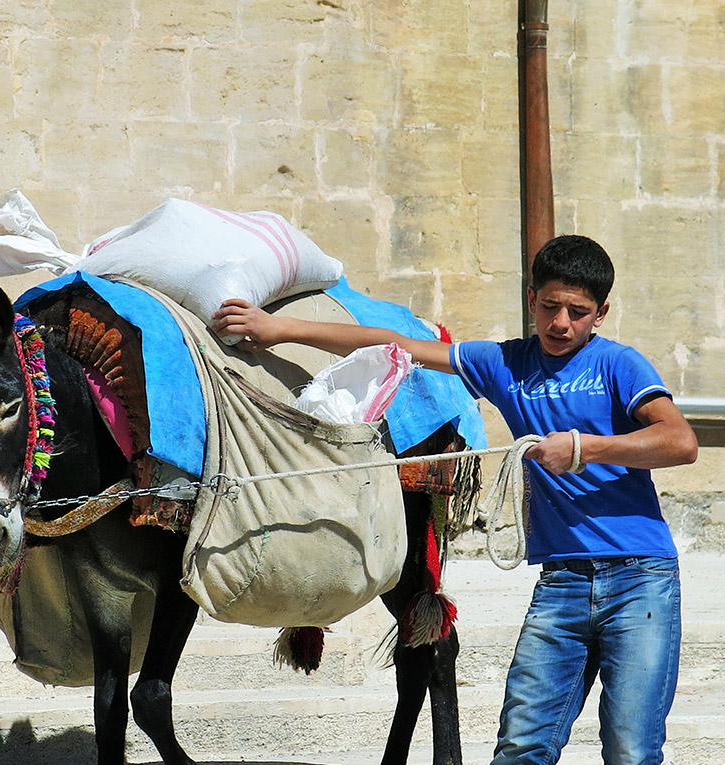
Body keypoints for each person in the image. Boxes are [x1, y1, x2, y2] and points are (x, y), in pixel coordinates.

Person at [212, 234, 698, 765]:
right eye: (551, 306)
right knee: (520, 747)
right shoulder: (506, 364)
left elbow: (680, 442)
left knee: (630, 749)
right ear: (531, 297)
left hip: (639, 580)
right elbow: (392, 343)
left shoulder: (619, 366)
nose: (561, 323)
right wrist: (278, 328)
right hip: (561, 582)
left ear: (600, 313)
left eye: (578, 312)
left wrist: (584, 448)